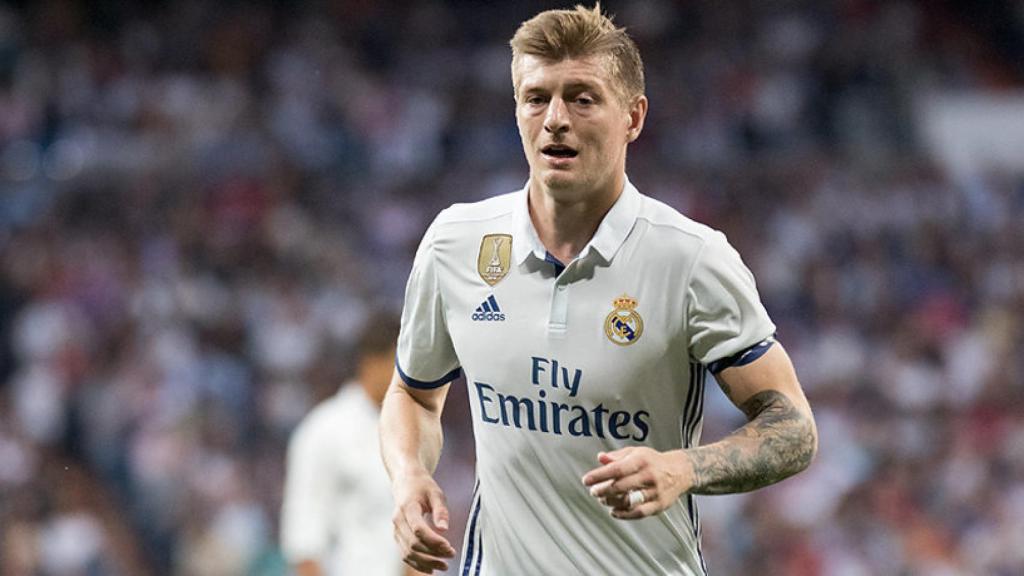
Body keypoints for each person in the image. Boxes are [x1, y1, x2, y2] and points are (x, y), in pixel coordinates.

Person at [379, 4, 818, 575]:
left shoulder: (691, 259)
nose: (555, 119)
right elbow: (413, 394)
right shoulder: (456, 242)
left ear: (633, 117)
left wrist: (684, 468)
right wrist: (409, 474)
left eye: (582, 98)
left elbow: (793, 427)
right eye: (536, 98)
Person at [281, 311, 422, 576]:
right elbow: (304, 542)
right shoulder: (324, 430)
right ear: (372, 362)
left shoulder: (409, 432)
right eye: (404, 363)